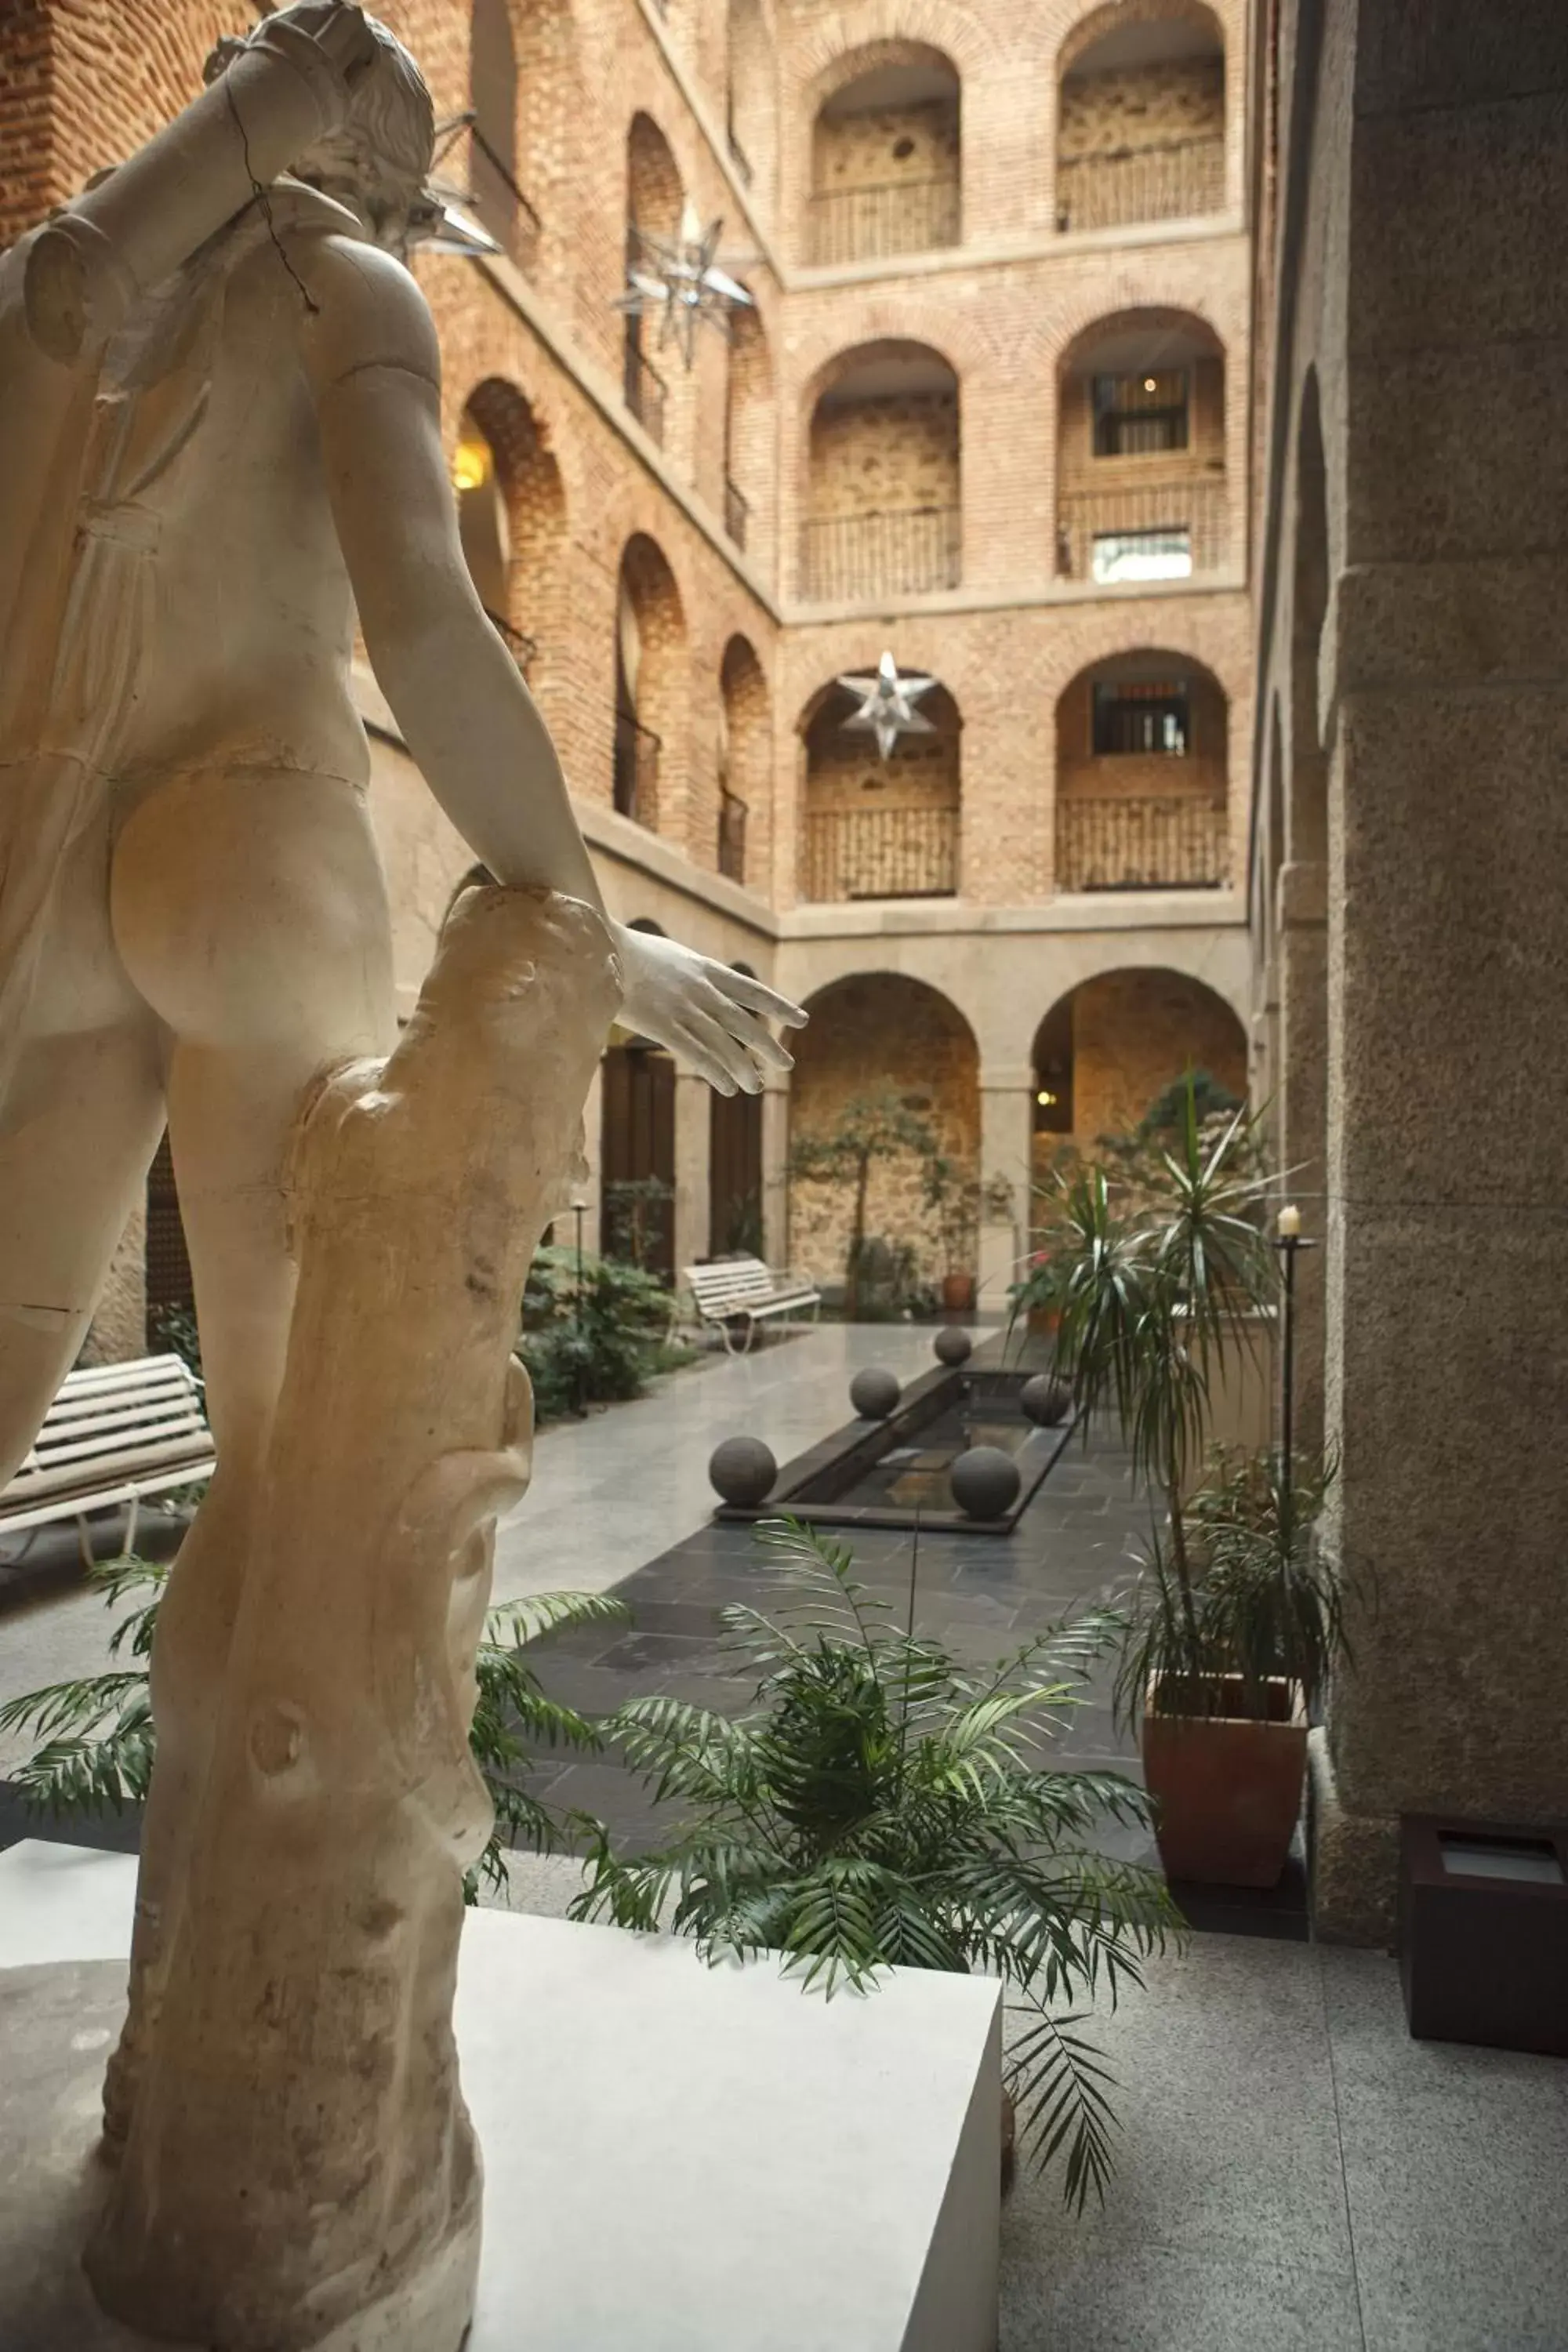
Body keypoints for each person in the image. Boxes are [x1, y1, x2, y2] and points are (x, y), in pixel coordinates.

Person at [0, 0, 804, 1517]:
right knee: (291, 1454)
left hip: (54, 854)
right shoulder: (351, 291)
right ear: (390, 187)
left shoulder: (93, 311)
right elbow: (429, 629)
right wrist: (596, 941)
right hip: (255, 840)